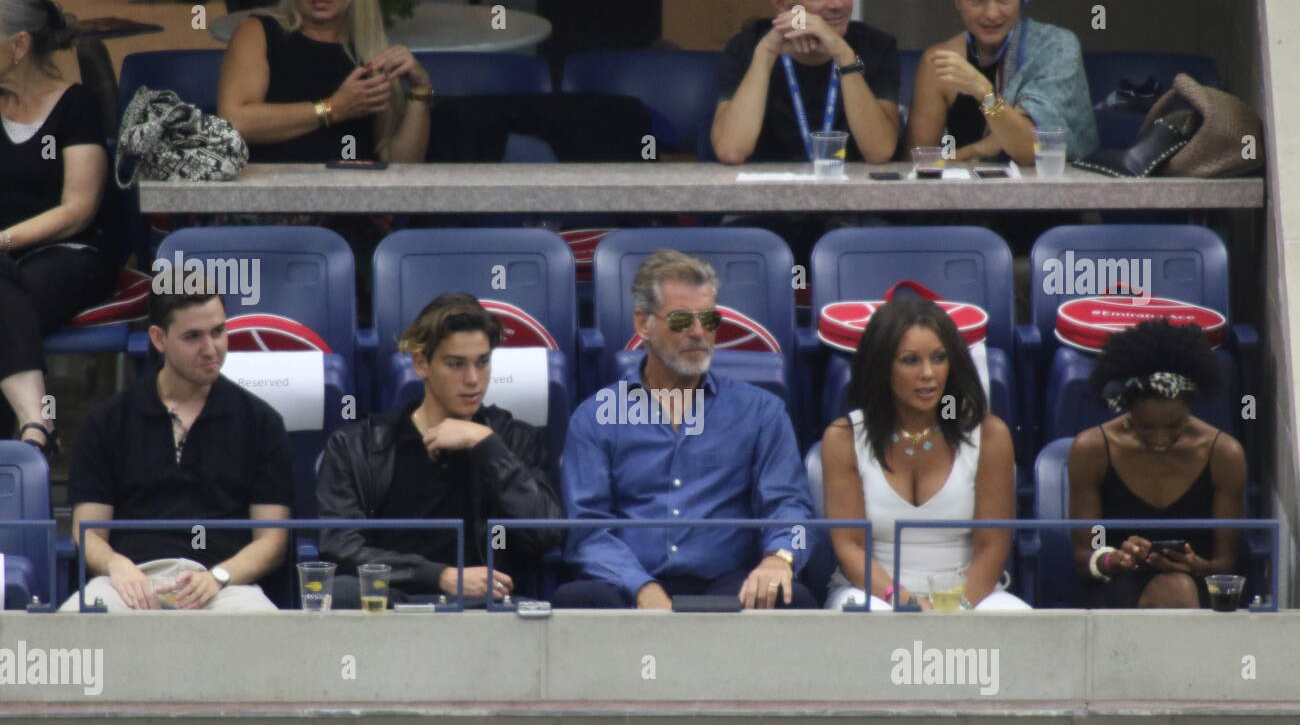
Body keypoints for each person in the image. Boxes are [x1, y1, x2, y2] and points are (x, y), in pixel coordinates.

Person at [556, 250, 817, 610]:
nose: (698, 333)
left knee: (787, 597)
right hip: (628, 585)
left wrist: (780, 557)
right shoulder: (596, 417)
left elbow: (790, 505)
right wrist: (641, 587)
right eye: (681, 320)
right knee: (578, 600)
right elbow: (586, 531)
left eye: (709, 319)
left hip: (728, 581)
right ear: (643, 323)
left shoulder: (761, 411)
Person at [317, 293, 563, 606]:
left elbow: (545, 535)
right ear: (421, 363)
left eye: (482, 362)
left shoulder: (514, 440)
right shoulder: (357, 445)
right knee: (344, 592)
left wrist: (488, 447)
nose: (473, 379)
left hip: (483, 606)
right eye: (455, 364)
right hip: (390, 604)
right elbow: (339, 544)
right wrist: (440, 576)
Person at [61, 286, 293, 612]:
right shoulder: (108, 421)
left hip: (223, 584)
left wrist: (220, 576)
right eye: (193, 337)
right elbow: (87, 533)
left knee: (266, 629)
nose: (211, 349)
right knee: (69, 626)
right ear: (159, 339)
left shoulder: (261, 422)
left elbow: (272, 542)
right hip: (130, 579)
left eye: (218, 332)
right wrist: (116, 565)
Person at [822, 296, 1027, 610]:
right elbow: (850, 547)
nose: (929, 373)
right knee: (865, 616)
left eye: (939, 357)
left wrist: (954, 607)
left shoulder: (989, 435)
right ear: (882, 366)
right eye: (910, 360)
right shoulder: (844, 438)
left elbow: (992, 548)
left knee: (1014, 615)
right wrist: (906, 602)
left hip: (966, 593)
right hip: (878, 593)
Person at [0, 0, 116, 456]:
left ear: (19, 45)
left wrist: (4, 239)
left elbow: (77, 211)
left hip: (68, 253)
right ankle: (35, 426)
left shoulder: (76, 105)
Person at [1068, 321, 1247, 608]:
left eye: (1176, 426)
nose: (1160, 439)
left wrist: (1196, 565)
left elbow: (1226, 563)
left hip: (1202, 586)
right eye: (1144, 427)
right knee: (1174, 590)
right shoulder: (1092, 450)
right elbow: (1085, 555)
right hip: (1119, 586)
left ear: (1190, 407)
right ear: (1128, 410)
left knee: (1177, 587)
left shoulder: (1224, 454)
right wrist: (1114, 558)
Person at [218, 0, 431, 164]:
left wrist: (420, 90)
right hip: (277, 199)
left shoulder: (370, 48)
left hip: (355, 200)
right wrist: (333, 109)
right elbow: (235, 122)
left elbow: (403, 165)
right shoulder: (259, 32)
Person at [906, 0, 1098, 166]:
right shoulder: (939, 61)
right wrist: (988, 145)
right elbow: (919, 164)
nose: (992, 13)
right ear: (957, 1)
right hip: (957, 192)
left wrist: (984, 92)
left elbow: (1035, 151)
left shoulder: (1056, 46)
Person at [712, 0, 900, 165]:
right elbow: (731, 151)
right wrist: (766, 54)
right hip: (767, 185)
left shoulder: (876, 46)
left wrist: (842, 53)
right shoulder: (746, 47)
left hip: (850, 183)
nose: (837, 4)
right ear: (781, 3)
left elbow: (879, 152)